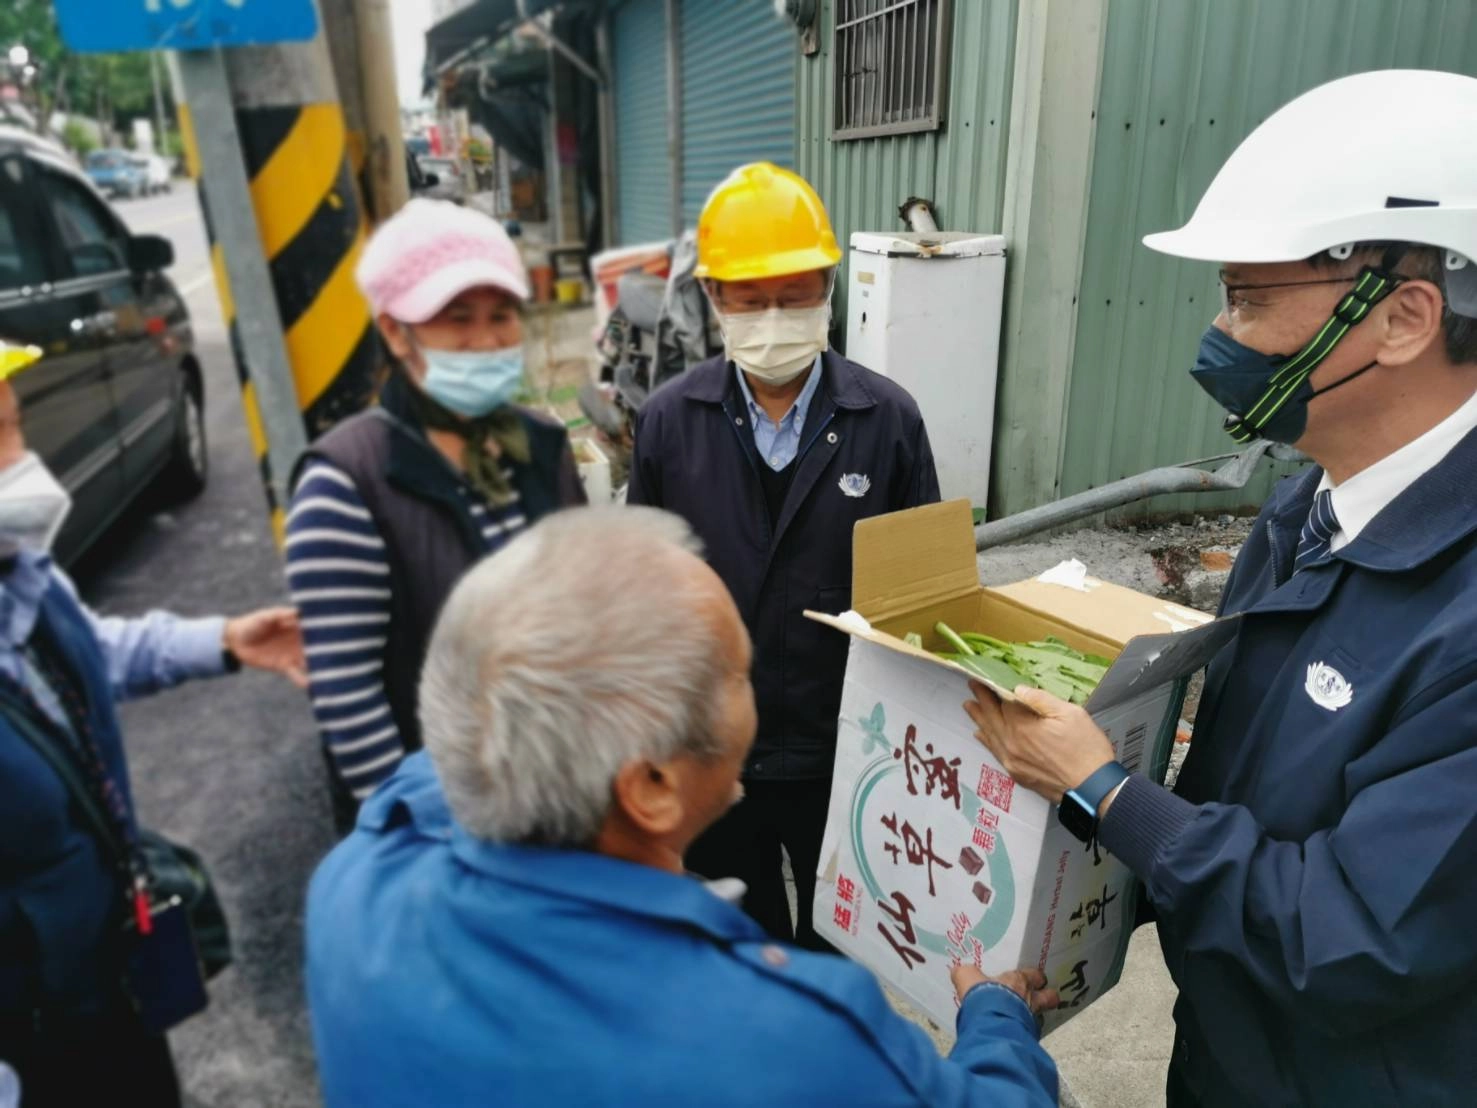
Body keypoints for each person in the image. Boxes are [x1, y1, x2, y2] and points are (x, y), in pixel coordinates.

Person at [963, 70, 1477, 1107]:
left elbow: (1353, 941)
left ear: (1405, 317)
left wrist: (1107, 794)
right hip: (1227, 1057)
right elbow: (1232, 791)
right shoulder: (1301, 516)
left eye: (1248, 299)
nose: (1219, 334)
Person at [306, 506, 1058, 1106]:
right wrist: (996, 1017)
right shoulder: (788, 1042)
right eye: (736, 676)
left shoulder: (355, 879)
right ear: (652, 789)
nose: (754, 693)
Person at [626, 162, 941, 949]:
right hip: (715, 749)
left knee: (843, 944)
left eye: (795, 292)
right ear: (714, 299)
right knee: (743, 945)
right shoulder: (669, 421)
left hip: (846, 747)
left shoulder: (886, 419)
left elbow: (925, 599)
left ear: (829, 289)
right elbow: (647, 595)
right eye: (750, 297)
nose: (773, 315)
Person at [0, 342, 307, 1107]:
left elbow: (81, 655)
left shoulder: (18, 576)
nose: (21, 463)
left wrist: (224, 641)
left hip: (102, 985)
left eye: (13, 427)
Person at [286, 199, 586, 830]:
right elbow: (348, 695)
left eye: (501, 315)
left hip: (551, 791)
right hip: (439, 819)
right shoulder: (346, 481)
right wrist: (422, 832)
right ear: (396, 332)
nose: (487, 340)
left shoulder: (539, 445)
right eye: (457, 320)